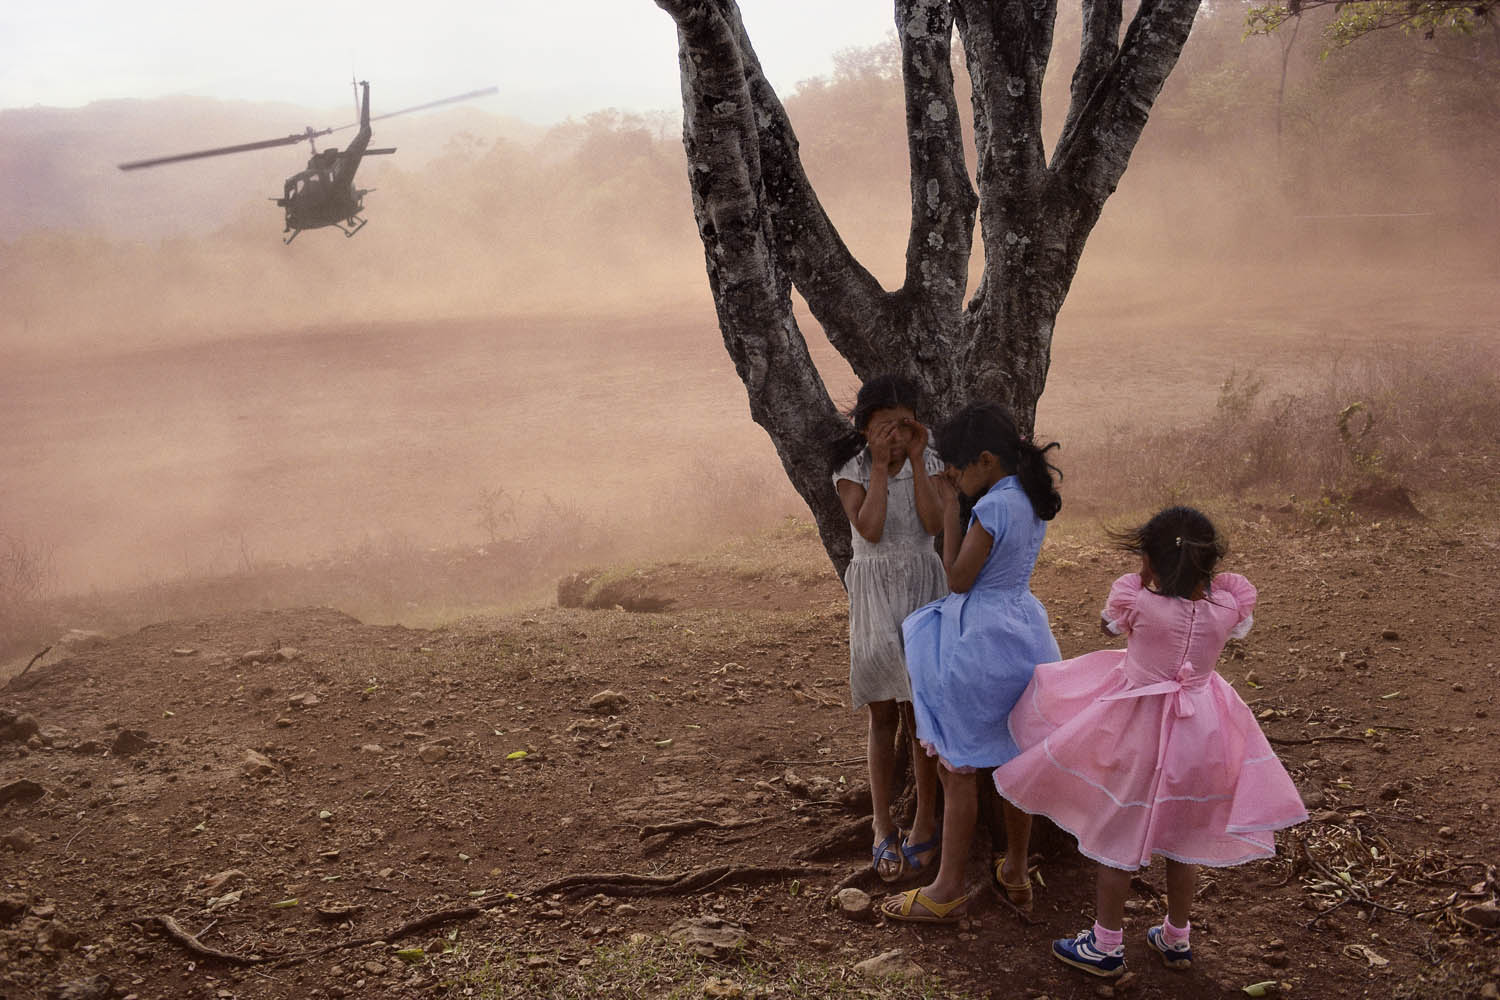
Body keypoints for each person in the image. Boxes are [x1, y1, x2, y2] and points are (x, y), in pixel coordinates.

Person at [991, 506, 1307, 978]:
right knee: (1184, 836)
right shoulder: (1227, 607)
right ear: (1210, 562)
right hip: (1202, 730)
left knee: (1118, 833)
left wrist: (1143, 583)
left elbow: (1109, 626)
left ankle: (1105, 944)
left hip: (1138, 729)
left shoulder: (1137, 601)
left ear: (1150, 561)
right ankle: (1176, 936)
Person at [880, 402, 1062, 923]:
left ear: (986, 460)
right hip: (1023, 631)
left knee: (957, 769)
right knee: (1016, 759)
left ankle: (948, 887)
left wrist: (953, 512)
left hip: (977, 640)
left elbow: (958, 579)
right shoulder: (1027, 497)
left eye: (959, 469)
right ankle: (1017, 871)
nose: (955, 478)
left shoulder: (990, 507)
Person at [830, 375, 949, 883]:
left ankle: (924, 819)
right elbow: (871, 528)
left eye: (904, 426)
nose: (896, 437)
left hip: (924, 587)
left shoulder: (934, 462)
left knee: (922, 716)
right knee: (883, 713)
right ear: (865, 428)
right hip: (877, 594)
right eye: (884, 428)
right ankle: (882, 824)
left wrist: (919, 463)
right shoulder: (851, 470)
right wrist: (879, 466)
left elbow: (933, 523)